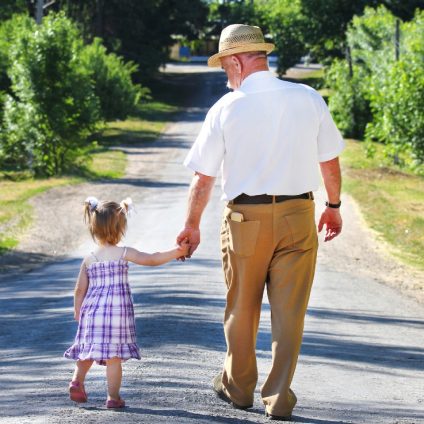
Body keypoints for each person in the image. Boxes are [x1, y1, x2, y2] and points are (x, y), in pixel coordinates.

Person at [177, 24, 344, 420]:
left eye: (224, 66)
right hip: (299, 214)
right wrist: (333, 205)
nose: (225, 74)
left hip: (244, 218)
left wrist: (192, 224)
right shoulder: (308, 97)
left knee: (242, 305)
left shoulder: (226, 107)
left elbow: (203, 177)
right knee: (290, 312)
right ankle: (279, 397)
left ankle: (238, 389)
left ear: (235, 61)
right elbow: (330, 160)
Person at [64, 197, 189, 408]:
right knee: (113, 358)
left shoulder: (89, 258)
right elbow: (152, 259)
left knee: (87, 350)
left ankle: (77, 381)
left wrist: (78, 312)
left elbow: (79, 290)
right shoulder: (123, 253)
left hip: (92, 314)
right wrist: (177, 251)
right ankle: (113, 398)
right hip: (116, 315)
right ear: (121, 228)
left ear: (94, 228)